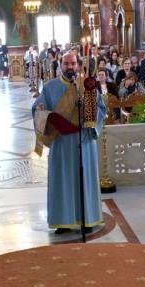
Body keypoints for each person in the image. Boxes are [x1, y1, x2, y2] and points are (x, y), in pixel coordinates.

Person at [32, 51, 106, 234]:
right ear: (60, 65)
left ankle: (88, 219)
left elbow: (101, 108)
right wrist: (41, 112)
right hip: (62, 142)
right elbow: (38, 109)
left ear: (78, 65)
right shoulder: (49, 87)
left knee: (84, 178)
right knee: (62, 179)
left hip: (84, 141)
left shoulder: (86, 85)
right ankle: (63, 221)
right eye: (66, 63)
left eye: (73, 63)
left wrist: (91, 114)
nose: (70, 67)